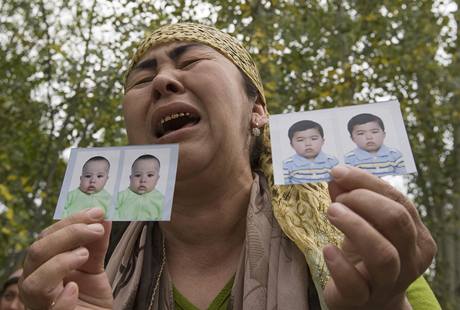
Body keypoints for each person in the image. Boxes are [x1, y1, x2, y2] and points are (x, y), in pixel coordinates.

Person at [19, 23, 440, 310]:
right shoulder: (85, 261)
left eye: (189, 62)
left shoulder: (356, 248)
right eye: (143, 80)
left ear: (256, 109)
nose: (165, 81)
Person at [283, 120, 339, 184]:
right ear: (292, 145)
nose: (308, 143)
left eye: (314, 139)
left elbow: (338, 183)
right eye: (300, 140)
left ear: (322, 141)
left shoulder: (332, 161)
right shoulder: (287, 164)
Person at [114, 154, 164, 220]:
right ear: (130, 178)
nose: (143, 180)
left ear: (157, 179)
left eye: (150, 175)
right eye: (137, 175)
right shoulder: (121, 196)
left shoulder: (161, 200)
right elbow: (109, 210)